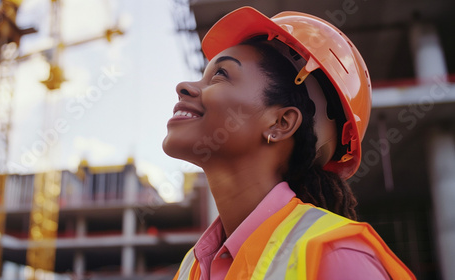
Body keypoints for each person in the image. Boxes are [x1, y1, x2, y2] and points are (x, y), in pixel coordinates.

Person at [163, 6, 415, 280]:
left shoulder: (337, 256)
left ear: (281, 123)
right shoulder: (193, 267)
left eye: (221, 75)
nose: (184, 86)